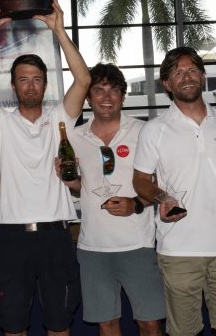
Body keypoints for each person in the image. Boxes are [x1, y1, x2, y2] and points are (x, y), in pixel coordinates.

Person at [0, 0, 91, 336]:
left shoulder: (60, 116)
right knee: (13, 325)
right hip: (12, 238)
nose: (30, 85)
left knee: (59, 325)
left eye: (37, 79)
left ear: (45, 84)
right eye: (23, 79)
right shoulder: (1, 122)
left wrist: (60, 32)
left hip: (57, 237)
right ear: (14, 85)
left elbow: (83, 81)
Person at [132, 47, 216, 336]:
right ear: (167, 84)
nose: (186, 76)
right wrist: (163, 198)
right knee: (184, 333)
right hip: (178, 250)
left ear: (203, 77)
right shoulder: (154, 130)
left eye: (192, 70)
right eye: (177, 72)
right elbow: (140, 181)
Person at [61, 63, 165, 336]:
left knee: (150, 322)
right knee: (107, 323)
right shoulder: (75, 136)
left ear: (123, 96)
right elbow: (84, 185)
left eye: (114, 90)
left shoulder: (145, 132)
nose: (106, 97)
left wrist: (137, 203)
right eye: (98, 90)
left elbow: (161, 185)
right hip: (93, 246)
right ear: (88, 97)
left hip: (137, 244)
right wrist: (70, 181)